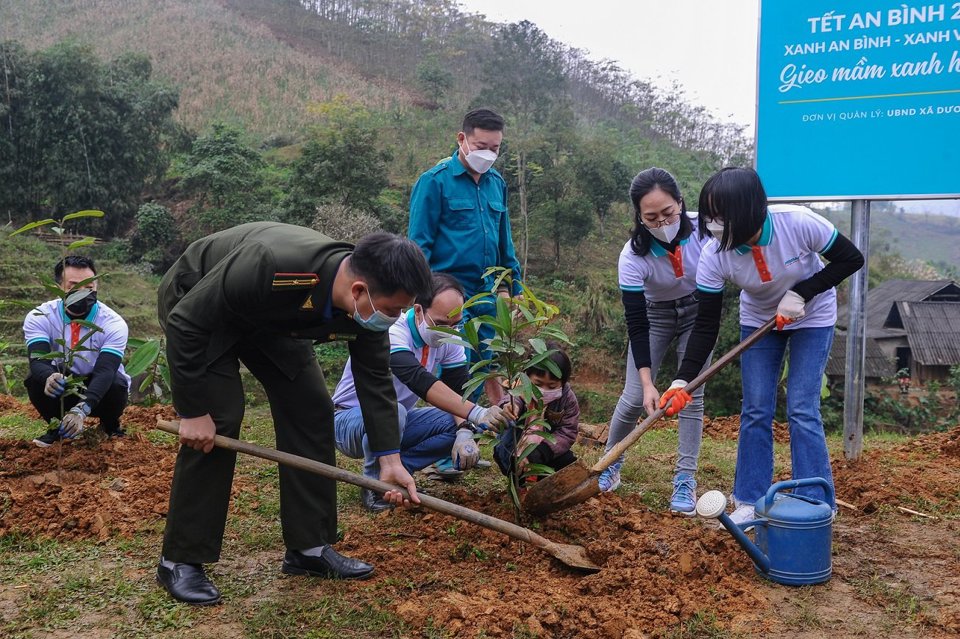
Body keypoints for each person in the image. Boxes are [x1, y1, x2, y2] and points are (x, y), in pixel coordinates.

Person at [155, 222, 432, 606]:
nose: (394, 318)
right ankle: (180, 559)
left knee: (311, 408)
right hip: (199, 304)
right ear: (358, 290)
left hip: (273, 320)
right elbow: (187, 322)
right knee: (219, 420)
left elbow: (374, 377)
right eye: (393, 310)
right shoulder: (274, 266)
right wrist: (192, 411)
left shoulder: (368, 307)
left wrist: (389, 458)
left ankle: (309, 548)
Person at [660, 167, 864, 526]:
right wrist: (682, 380)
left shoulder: (798, 223)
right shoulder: (714, 254)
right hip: (758, 320)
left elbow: (851, 259)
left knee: (802, 405)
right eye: (709, 215)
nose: (712, 224)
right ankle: (751, 500)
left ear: (749, 210)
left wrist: (802, 292)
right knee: (756, 408)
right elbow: (706, 325)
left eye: (720, 216)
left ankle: (815, 501)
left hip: (812, 316)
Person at [332, 273, 508, 511]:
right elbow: (418, 380)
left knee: (456, 420)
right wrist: (477, 412)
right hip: (348, 421)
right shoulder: (393, 331)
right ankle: (375, 487)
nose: (449, 331)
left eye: (454, 324)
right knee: (393, 411)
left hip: (396, 420)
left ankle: (398, 471)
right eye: (441, 323)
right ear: (418, 309)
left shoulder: (450, 342)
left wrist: (465, 430)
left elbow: (458, 394)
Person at [597, 168, 714, 516]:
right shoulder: (632, 256)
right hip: (654, 315)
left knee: (689, 396)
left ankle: (684, 480)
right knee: (634, 396)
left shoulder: (706, 232)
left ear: (680, 203)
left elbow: (716, 293)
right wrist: (648, 382)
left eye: (668, 212)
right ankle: (610, 462)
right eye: (651, 217)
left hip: (699, 310)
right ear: (639, 216)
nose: (662, 221)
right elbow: (636, 322)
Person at [408, 108, 522, 404]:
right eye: (481, 147)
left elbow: (504, 241)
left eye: (494, 148)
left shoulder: (496, 183)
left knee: (494, 359)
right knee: (457, 364)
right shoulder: (434, 181)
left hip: (489, 291)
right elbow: (419, 245)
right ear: (463, 139)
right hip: (448, 292)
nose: (487, 154)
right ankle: (460, 429)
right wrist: (424, 294)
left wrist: (512, 287)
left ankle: (504, 424)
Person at [24, 256, 130, 447]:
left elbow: (106, 370)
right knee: (35, 379)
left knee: (117, 383)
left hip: (100, 387)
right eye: (74, 287)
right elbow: (38, 360)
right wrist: (49, 376)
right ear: (58, 288)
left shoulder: (112, 323)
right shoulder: (40, 316)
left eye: (89, 288)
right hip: (64, 383)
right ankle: (56, 427)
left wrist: (82, 409)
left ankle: (109, 425)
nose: (83, 293)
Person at [493, 345, 580, 478]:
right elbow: (513, 400)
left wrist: (540, 453)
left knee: (567, 463)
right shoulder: (520, 389)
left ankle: (545, 481)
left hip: (547, 449)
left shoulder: (567, 399)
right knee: (514, 466)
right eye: (538, 384)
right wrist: (511, 407)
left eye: (552, 386)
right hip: (514, 446)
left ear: (563, 383)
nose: (543, 391)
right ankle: (518, 481)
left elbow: (568, 431)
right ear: (527, 377)